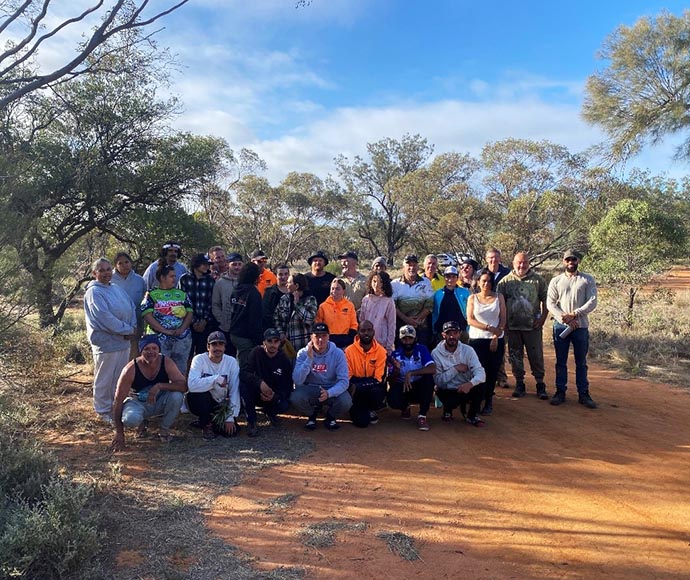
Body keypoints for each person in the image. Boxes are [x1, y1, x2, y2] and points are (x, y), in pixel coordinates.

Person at [84, 258, 138, 423]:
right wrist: (127, 329)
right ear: (94, 274)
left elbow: (131, 307)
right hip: (106, 343)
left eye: (108, 269)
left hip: (123, 341)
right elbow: (103, 318)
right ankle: (102, 411)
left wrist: (133, 326)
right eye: (102, 270)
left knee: (119, 377)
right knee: (105, 378)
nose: (107, 273)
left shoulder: (116, 288)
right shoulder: (94, 292)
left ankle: (116, 408)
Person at [111, 335, 187, 450]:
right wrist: (119, 433)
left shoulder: (166, 362)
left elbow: (183, 386)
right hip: (138, 402)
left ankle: (164, 430)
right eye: (147, 349)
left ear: (159, 350)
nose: (151, 352)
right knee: (130, 419)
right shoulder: (130, 369)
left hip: (159, 400)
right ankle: (141, 423)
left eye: (154, 348)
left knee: (177, 396)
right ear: (141, 351)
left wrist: (159, 386)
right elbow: (118, 400)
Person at [547, 249, 598, 409]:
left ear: (578, 261)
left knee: (581, 362)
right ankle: (560, 392)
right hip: (560, 326)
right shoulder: (556, 281)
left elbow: (592, 301)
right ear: (563, 261)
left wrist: (575, 314)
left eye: (573, 259)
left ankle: (584, 394)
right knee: (560, 361)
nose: (571, 262)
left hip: (580, 327)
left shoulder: (587, 279)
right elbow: (550, 303)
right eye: (568, 259)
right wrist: (564, 317)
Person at [497, 251, 549, 400]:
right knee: (515, 355)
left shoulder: (538, 280)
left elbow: (547, 300)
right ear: (513, 264)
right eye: (519, 262)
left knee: (536, 355)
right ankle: (520, 383)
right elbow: (499, 304)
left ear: (529, 263)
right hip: (512, 327)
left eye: (525, 262)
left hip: (532, 326)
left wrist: (543, 317)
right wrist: (503, 323)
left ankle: (540, 383)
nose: (522, 265)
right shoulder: (505, 282)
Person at [291, 323, 351, 431]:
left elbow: (344, 381)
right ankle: (311, 415)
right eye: (317, 336)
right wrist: (309, 360)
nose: (320, 340)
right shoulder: (303, 353)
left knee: (346, 401)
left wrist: (329, 393)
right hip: (311, 388)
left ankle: (331, 417)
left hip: (330, 388)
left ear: (328, 337)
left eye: (324, 336)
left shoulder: (338, 354)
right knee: (296, 397)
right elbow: (297, 380)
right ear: (311, 337)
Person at [186, 331, 241, 440]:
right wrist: (215, 379)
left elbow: (235, 390)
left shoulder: (231, 362)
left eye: (220, 344)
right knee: (198, 395)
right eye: (214, 344)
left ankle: (207, 421)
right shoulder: (199, 360)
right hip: (202, 401)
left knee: (230, 433)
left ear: (225, 347)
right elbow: (192, 385)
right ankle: (206, 424)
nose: (217, 348)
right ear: (208, 347)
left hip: (221, 403)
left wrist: (229, 418)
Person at [141, 263, 194, 374]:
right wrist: (165, 331)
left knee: (180, 370)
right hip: (159, 339)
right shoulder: (151, 294)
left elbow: (189, 312)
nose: (174, 279)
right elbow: (147, 315)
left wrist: (182, 329)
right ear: (162, 277)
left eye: (175, 276)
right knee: (158, 369)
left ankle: (178, 390)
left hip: (181, 339)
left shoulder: (181, 294)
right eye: (171, 276)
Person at [466, 269, 507, 416]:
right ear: (477, 282)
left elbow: (503, 319)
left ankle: (488, 400)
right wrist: (489, 328)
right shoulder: (472, 298)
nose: (486, 284)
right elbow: (470, 319)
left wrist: (496, 336)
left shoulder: (499, 297)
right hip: (477, 340)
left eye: (489, 281)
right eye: (483, 280)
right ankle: (476, 398)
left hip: (495, 341)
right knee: (477, 370)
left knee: (492, 371)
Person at [239, 328, 294, 436]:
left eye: (275, 341)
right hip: (257, 392)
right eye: (269, 341)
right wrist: (259, 383)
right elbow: (243, 373)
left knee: (285, 405)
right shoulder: (256, 352)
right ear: (264, 342)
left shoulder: (284, 359)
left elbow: (287, 386)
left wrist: (275, 396)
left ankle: (271, 413)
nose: (272, 345)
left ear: (279, 343)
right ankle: (252, 422)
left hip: (272, 394)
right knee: (243, 386)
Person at [432, 321, 487, 426]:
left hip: (465, 387)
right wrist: (455, 369)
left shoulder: (469, 350)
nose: (452, 336)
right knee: (443, 393)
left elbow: (480, 372)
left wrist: (470, 384)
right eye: (449, 333)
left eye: (455, 333)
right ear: (443, 335)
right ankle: (447, 410)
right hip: (448, 389)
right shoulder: (436, 353)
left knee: (481, 385)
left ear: (460, 334)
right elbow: (438, 381)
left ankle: (472, 416)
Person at [387, 325, 436, 431]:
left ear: (415, 339)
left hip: (419, 386)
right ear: (400, 340)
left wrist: (411, 373)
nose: (408, 341)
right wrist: (396, 370)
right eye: (404, 339)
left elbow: (432, 368)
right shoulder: (395, 355)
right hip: (403, 386)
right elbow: (390, 380)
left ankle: (422, 416)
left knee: (428, 379)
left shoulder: (421, 349)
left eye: (410, 338)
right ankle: (405, 407)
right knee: (392, 399)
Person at [345, 320, 388, 428]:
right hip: (356, 393)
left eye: (369, 330)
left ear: (373, 332)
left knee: (377, 392)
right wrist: (358, 385)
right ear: (358, 333)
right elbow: (349, 377)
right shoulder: (349, 351)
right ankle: (356, 409)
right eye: (363, 330)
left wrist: (359, 385)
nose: (366, 333)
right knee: (362, 423)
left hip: (370, 390)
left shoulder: (381, 352)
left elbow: (378, 379)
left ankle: (371, 409)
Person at [391, 254, 434, 347]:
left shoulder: (426, 282)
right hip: (401, 328)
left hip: (421, 328)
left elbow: (429, 305)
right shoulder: (395, 284)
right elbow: (392, 306)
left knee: (421, 354)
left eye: (414, 265)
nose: (412, 268)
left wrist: (417, 319)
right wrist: (406, 319)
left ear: (418, 266)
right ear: (403, 267)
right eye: (409, 265)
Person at [178, 253, 215, 359]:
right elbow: (181, 302)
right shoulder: (184, 279)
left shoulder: (210, 281)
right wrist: (192, 321)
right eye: (204, 264)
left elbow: (212, 303)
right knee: (186, 357)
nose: (207, 266)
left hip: (205, 326)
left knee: (202, 357)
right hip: (187, 326)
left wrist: (205, 320)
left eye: (208, 264)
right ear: (196, 264)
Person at [111, 251, 146, 358]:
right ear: (115, 265)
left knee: (134, 357)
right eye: (120, 263)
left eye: (126, 262)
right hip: (117, 326)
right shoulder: (110, 280)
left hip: (137, 325)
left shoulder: (139, 280)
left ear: (131, 263)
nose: (124, 265)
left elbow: (145, 301)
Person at [228, 262, 264, 368]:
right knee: (245, 367)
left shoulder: (236, 290)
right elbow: (255, 319)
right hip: (246, 337)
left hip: (234, 333)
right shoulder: (253, 293)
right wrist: (258, 340)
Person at [273, 273, 318, 355]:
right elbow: (276, 318)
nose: (286, 285)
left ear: (296, 286)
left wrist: (297, 304)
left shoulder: (310, 300)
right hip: (286, 346)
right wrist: (281, 333)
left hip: (304, 347)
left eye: (289, 282)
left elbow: (309, 319)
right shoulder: (284, 299)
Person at [485, 247, 511, 388]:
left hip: (502, 316)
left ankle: (501, 377)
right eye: (490, 258)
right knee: (484, 348)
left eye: (496, 257)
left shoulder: (508, 274)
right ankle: (486, 376)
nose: (493, 260)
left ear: (500, 258)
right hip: (485, 317)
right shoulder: (481, 274)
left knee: (500, 347)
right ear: (486, 259)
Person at [211, 251, 244, 352]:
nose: (237, 267)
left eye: (239, 264)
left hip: (242, 328)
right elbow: (215, 304)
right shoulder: (220, 283)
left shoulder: (246, 282)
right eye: (234, 264)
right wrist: (222, 320)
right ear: (227, 265)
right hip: (225, 328)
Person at [359, 270, 396, 353]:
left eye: (380, 282)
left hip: (382, 343)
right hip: (367, 342)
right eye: (374, 281)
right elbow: (362, 320)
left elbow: (391, 325)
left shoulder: (388, 301)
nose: (376, 285)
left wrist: (389, 346)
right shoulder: (366, 299)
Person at [432, 266, 471, 344]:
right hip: (442, 332)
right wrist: (434, 329)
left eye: (453, 276)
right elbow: (435, 313)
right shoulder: (438, 294)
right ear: (444, 278)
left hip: (461, 332)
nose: (450, 279)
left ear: (457, 278)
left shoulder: (465, 293)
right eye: (448, 276)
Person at [315, 278, 358, 349]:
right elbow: (318, 323)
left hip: (345, 341)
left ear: (343, 291)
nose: (334, 291)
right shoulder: (323, 306)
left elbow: (354, 324)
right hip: (329, 341)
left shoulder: (349, 305)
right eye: (332, 288)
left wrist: (349, 338)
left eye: (337, 289)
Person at [262, 264, 290, 331]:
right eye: (280, 274)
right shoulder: (269, 292)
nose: (283, 277)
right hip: (274, 331)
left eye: (286, 274)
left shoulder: (294, 292)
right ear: (275, 275)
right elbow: (266, 313)